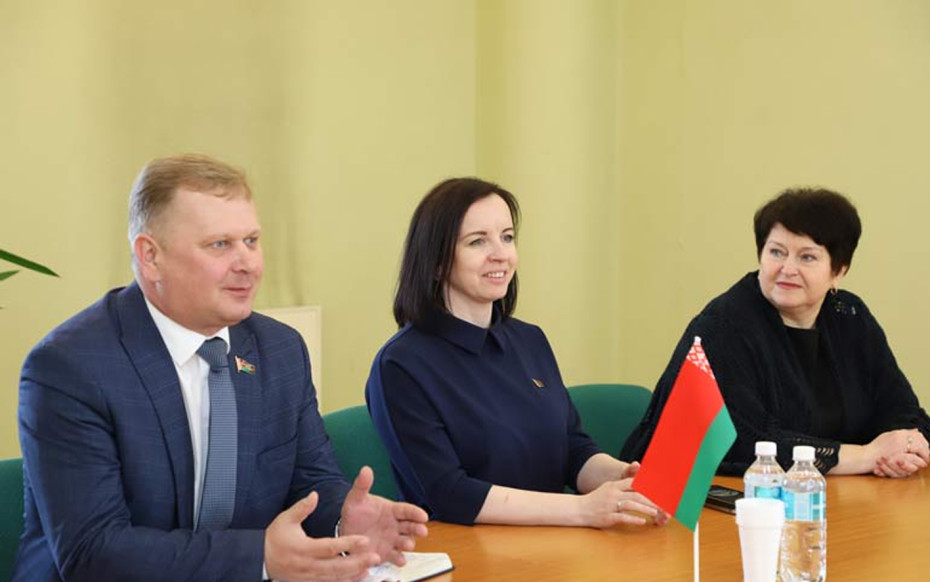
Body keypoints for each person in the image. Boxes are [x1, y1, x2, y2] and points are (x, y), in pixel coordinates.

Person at [13, 154, 428, 582]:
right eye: (220, 245)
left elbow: (310, 481)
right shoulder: (70, 368)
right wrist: (259, 558)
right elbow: (94, 553)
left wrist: (342, 521)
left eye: (251, 240)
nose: (248, 264)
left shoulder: (280, 350)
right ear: (150, 256)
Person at [365, 177, 669, 528]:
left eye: (507, 237)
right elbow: (449, 494)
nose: (501, 254)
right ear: (436, 261)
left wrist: (624, 479)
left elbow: (572, 449)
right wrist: (582, 510)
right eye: (477, 241)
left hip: (556, 542)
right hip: (464, 549)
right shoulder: (400, 364)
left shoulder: (529, 339)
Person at [622, 187, 930, 477]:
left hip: (822, 495)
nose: (787, 269)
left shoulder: (850, 316)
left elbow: (904, 411)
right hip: (701, 496)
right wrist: (866, 456)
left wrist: (905, 449)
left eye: (807, 257)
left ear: (838, 271)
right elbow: (748, 444)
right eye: (776, 252)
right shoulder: (724, 326)